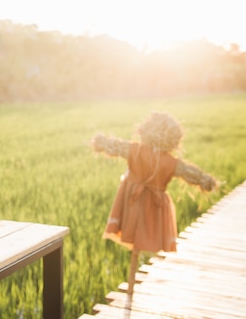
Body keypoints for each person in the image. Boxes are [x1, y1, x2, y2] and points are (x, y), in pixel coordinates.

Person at [89, 111, 218, 295]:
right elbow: (193, 174)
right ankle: (132, 284)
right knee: (144, 233)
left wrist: (100, 142)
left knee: (135, 232)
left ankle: (132, 286)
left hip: (132, 199)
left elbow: (113, 146)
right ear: (173, 140)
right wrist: (207, 181)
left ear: (145, 130)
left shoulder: (135, 150)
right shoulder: (171, 162)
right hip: (154, 205)